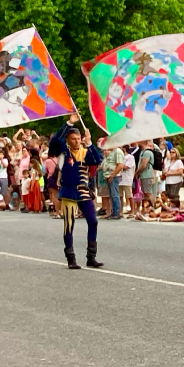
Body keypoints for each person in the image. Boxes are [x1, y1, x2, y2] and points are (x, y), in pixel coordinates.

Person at [48, 115, 105, 269]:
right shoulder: (62, 151)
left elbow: (97, 160)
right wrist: (68, 123)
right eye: (73, 139)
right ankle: (70, 257)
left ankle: (91, 256)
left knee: (93, 221)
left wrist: (90, 142)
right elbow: (54, 142)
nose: (76, 141)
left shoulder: (86, 152)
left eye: (78, 138)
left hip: (84, 191)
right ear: (68, 140)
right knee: (69, 225)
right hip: (68, 192)